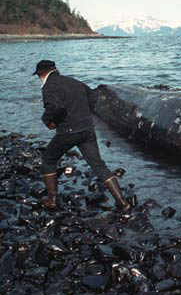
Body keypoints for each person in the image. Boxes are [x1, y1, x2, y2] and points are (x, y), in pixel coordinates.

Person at [33, 60, 131, 212]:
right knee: (98, 165)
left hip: (68, 131)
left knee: (48, 159)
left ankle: (52, 200)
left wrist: (47, 120)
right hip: (88, 129)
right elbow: (93, 98)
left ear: (40, 74)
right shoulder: (74, 81)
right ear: (55, 69)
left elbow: (55, 107)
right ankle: (122, 203)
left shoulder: (49, 86)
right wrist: (82, 114)